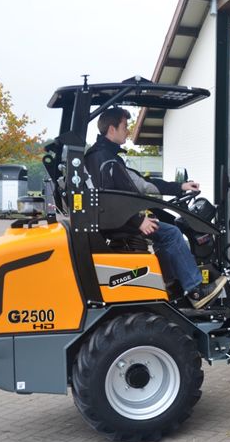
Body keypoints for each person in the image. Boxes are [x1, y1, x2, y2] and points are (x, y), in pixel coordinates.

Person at [84, 107, 219, 309]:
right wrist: (138, 221)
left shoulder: (102, 157)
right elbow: (109, 198)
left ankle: (171, 284)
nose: (127, 131)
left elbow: (141, 183)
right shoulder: (105, 160)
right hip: (115, 222)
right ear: (112, 129)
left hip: (113, 219)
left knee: (163, 226)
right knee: (172, 233)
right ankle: (195, 290)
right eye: (124, 126)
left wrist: (180, 186)